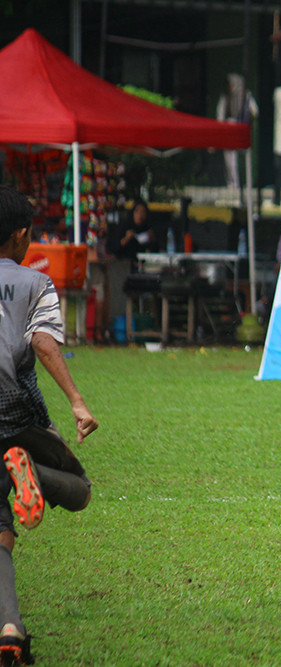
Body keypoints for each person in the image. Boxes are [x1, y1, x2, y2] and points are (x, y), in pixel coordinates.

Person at [0, 186, 98, 665]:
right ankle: (31, 472)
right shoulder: (35, 283)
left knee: (0, 527)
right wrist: (77, 402)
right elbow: (42, 343)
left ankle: (10, 629)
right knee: (79, 489)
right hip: (14, 416)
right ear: (21, 235)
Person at [215, 73, 258, 192]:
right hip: (230, 127)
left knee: (245, 157)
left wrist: (248, 122)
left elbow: (254, 111)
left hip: (242, 127)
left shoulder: (246, 95)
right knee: (230, 158)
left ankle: (246, 184)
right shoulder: (226, 96)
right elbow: (220, 114)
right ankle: (233, 184)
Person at [110, 200, 157, 270]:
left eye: (143, 212)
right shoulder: (124, 227)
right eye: (137, 211)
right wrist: (126, 239)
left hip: (143, 267)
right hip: (124, 267)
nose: (140, 215)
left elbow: (153, 253)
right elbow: (114, 249)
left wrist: (153, 240)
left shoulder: (147, 229)